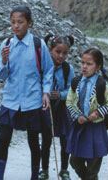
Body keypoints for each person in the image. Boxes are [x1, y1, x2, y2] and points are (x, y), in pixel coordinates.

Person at [0, 5, 54, 180]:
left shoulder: (37, 44)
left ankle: (35, 176)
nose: (16, 26)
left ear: (30, 23)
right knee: (4, 139)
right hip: (11, 100)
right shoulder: (6, 44)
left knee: (33, 141)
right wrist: (4, 60)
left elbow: (48, 70)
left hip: (32, 100)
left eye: (20, 22)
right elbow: (0, 75)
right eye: (13, 22)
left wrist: (45, 92)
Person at [66, 48, 108, 180]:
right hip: (80, 128)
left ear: (98, 67)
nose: (84, 67)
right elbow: (69, 102)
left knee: (93, 166)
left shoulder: (102, 84)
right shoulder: (76, 82)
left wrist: (98, 113)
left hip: (96, 129)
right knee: (75, 161)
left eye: (89, 64)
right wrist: (77, 117)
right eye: (82, 63)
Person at [39, 35, 75, 180]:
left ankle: (64, 169)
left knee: (65, 139)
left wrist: (60, 95)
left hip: (61, 107)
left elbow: (72, 91)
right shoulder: (43, 66)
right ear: (50, 50)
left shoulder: (67, 69)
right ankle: (44, 169)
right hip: (46, 107)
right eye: (57, 52)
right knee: (46, 139)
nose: (61, 56)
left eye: (65, 53)